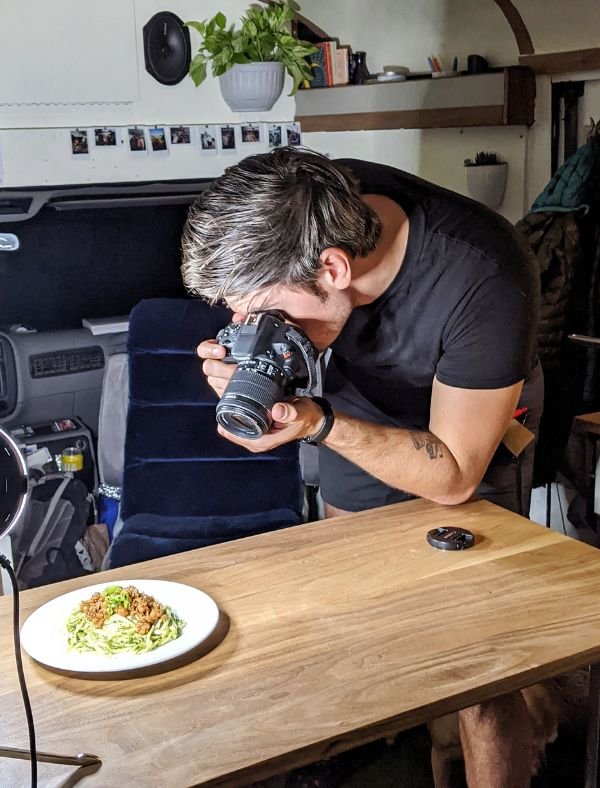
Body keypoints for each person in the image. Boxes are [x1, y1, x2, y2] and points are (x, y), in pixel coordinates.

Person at [181, 148, 543, 788]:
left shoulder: (484, 275)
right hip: (347, 403)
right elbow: (289, 340)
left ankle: (493, 738)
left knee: (480, 663)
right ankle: (398, 746)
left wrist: (317, 424)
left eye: (266, 314)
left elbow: (455, 473)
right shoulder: (308, 199)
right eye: (238, 314)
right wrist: (252, 372)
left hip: (466, 420)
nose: (249, 326)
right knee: (358, 607)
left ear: (335, 267)